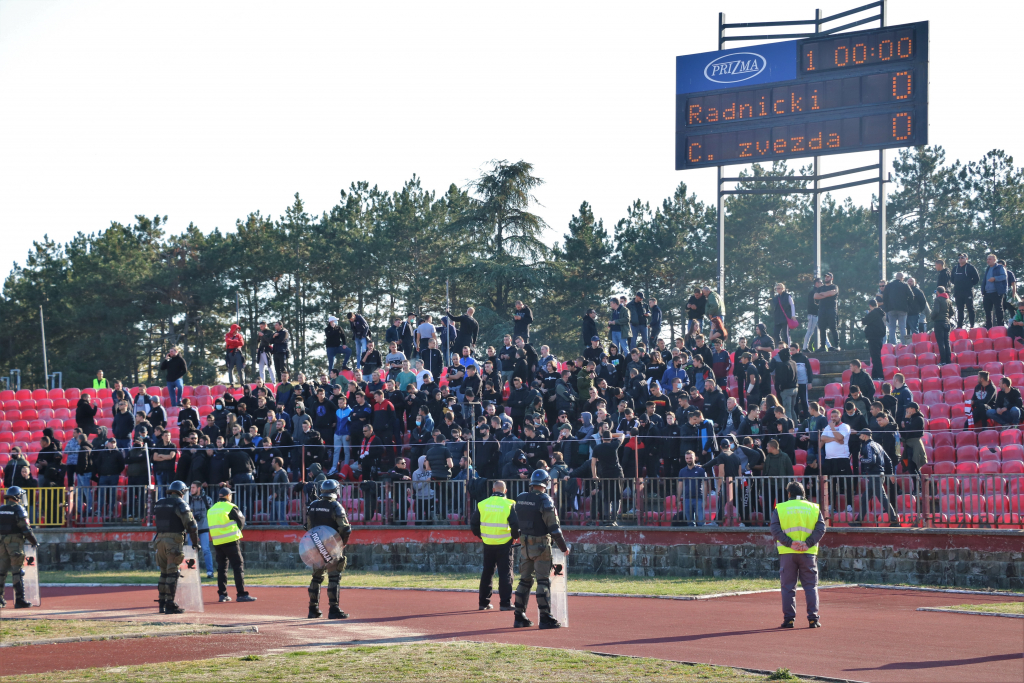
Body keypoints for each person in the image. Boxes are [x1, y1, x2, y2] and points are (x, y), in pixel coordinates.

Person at [512, 470, 569, 629]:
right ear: (546, 483)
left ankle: (519, 617)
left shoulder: (521, 498)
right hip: (541, 546)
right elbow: (554, 528)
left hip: (525, 546)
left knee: (524, 580)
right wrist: (563, 548)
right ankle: (545, 618)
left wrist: (516, 536)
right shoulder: (545, 500)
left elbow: (515, 523)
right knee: (543, 581)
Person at [770, 481, 825, 629]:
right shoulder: (814, 508)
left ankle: (789, 620)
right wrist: (808, 543)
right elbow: (821, 528)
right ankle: (813, 619)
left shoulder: (780, 508)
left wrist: (789, 543)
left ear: (789, 494)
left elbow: (775, 529)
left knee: (788, 587)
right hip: (808, 553)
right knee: (811, 586)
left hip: (787, 553)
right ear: (804, 493)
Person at [304, 479, 352, 619]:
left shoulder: (313, 505)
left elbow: (308, 527)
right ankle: (333, 609)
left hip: (316, 545)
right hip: (331, 546)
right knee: (334, 576)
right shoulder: (335, 506)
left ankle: (313, 609)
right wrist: (342, 543)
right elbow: (345, 528)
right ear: (336, 491)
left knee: (316, 577)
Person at [470, 480, 520, 611]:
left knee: (487, 572)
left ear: (493, 490)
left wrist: (482, 536)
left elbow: (474, 524)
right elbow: (516, 525)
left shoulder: (482, 504)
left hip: (488, 543)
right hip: (505, 543)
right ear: (505, 491)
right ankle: (505, 603)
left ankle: (483, 603)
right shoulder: (509, 504)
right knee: (505, 574)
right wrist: (515, 537)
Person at [152, 480, 200, 614]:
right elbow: (192, 526)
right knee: (173, 573)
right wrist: (195, 543)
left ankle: (162, 603)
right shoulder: (180, 503)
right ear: (182, 492)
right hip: (173, 541)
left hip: (159, 541)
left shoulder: (160, 503)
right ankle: (170, 604)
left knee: (164, 573)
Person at [208, 487, 256, 604]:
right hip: (230, 540)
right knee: (238, 566)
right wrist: (235, 531)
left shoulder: (211, 509)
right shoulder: (230, 507)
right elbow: (241, 521)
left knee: (221, 569)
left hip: (217, 542)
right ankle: (241, 594)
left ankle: (222, 594)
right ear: (228, 496)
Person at [0, 486, 39, 609]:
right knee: (17, 571)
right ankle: (19, 600)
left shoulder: (1, 509)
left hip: (1, 543)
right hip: (15, 544)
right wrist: (34, 542)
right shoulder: (18, 509)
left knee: (1, 571)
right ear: (17, 497)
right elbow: (26, 529)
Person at [856, 430, 897, 524]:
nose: (859, 437)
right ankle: (858, 520)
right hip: (878, 475)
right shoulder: (878, 445)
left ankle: (894, 519)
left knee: (882, 498)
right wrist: (890, 473)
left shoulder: (869, 445)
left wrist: (861, 460)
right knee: (865, 498)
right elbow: (888, 460)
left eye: (860, 435)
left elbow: (871, 460)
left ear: (865, 436)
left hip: (875, 475)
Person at [819, 409, 852, 512]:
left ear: (840, 416)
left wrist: (833, 429)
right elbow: (822, 438)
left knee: (845, 483)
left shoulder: (845, 426)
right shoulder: (828, 427)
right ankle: (831, 505)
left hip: (842, 458)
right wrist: (834, 439)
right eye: (831, 417)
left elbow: (840, 437)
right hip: (829, 460)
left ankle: (849, 505)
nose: (833, 418)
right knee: (830, 484)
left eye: (835, 416)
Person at [188, 482, 215, 578]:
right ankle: (190, 572)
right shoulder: (188, 499)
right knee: (190, 550)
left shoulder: (207, 499)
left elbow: (211, 512)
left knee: (206, 549)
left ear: (199, 488)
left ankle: (210, 572)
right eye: (191, 487)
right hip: (191, 529)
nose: (191, 489)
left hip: (203, 527)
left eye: (193, 487)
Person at [882, 273, 912, 345]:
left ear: (896, 277)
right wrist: (907, 305)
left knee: (892, 328)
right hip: (903, 309)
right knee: (903, 327)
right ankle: (904, 344)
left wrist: (887, 308)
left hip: (891, 309)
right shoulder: (905, 285)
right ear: (902, 278)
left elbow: (885, 297)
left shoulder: (889, 285)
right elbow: (911, 296)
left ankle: (892, 344)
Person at [951, 253, 980, 328]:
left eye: (962, 257)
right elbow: (952, 279)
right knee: (960, 309)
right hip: (958, 292)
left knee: (970, 308)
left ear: (966, 259)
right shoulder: (955, 268)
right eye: (959, 257)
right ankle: (959, 326)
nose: (960, 259)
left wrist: (969, 284)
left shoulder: (970, 267)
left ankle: (972, 325)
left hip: (968, 292)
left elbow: (976, 279)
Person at [814, 272, 839, 351]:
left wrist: (822, 294)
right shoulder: (821, 288)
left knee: (833, 328)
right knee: (822, 328)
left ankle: (837, 346)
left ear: (832, 278)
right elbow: (815, 296)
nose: (826, 278)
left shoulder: (834, 286)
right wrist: (827, 294)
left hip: (831, 310)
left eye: (828, 277)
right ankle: (822, 347)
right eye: (825, 277)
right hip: (822, 310)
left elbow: (833, 292)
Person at [981, 253, 1008, 328]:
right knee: (987, 310)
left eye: (990, 259)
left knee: (998, 309)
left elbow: (1004, 276)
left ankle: (1000, 326)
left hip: (997, 292)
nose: (988, 261)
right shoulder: (987, 268)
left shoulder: (1000, 267)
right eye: (987, 259)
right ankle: (989, 327)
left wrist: (995, 278)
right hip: (987, 293)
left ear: (995, 260)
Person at [862, 299, 886, 379]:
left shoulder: (873, 313)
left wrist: (868, 314)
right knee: (875, 357)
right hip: (879, 337)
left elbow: (864, 321)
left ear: (870, 305)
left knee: (875, 358)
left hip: (873, 338)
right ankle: (874, 376)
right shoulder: (881, 313)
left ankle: (880, 375)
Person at [931, 286, 954, 364]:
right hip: (947, 322)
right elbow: (952, 312)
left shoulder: (937, 299)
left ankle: (943, 361)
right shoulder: (948, 300)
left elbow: (936, 311)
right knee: (947, 342)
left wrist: (932, 317)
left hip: (939, 323)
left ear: (937, 292)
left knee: (941, 343)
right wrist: (947, 317)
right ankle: (948, 360)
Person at [804, 278, 822, 351]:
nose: (822, 284)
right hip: (813, 315)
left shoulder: (818, 292)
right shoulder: (813, 292)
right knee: (810, 331)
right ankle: (804, 347)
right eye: (820, 282)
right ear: (816, 283)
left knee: (822, 330)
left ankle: (829, 346)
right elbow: (811, 304)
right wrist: (820, 307)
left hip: (817, 314)